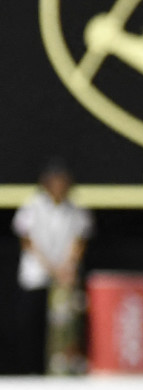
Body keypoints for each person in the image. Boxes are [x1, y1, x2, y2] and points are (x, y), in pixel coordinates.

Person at [9, 160, 92, 375]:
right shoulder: (33, 205)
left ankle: (63, 372)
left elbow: (79, 240)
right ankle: (30, 372)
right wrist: (51, 267)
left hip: (65, 277)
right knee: (31, 326)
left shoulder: (75, 208)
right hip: (36, 275)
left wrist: (67, 266)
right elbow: (27, 241)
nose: (59, 185)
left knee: (66, 327)